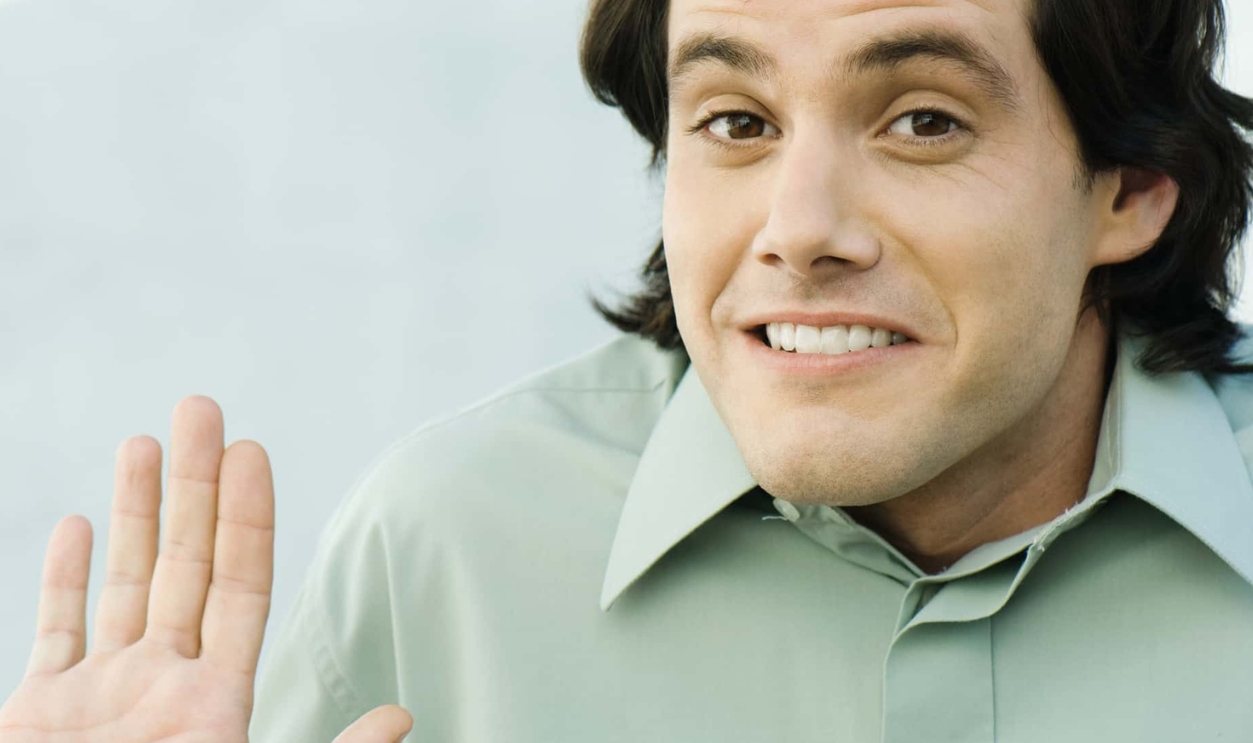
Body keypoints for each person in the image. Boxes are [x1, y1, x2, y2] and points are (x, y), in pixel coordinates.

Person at [4, 0, 1253, 740]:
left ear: (1132, 189)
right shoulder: (449, 546)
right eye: (734, 123)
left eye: (921, 120)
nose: (797, 224)